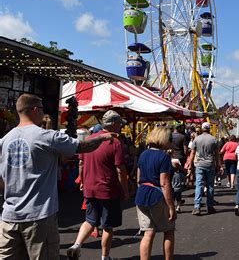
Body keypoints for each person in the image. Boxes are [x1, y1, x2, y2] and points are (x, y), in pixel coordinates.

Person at [0, 94, 116, 260]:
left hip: (9, 216)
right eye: (41, 109)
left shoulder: (5, 140)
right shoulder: (46, 136)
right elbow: (82, 146)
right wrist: (103, 137)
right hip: (38, 217)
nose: (43, 113)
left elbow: (1, 181)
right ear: (34, 110)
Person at [67, 110, 129, 260]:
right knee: (107, 226)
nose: (121, 126)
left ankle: (76, 245)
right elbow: (120, 169)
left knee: (90, 220)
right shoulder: (115, 142)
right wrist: (125, 190)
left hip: (90, 186)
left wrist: (82, 181)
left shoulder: (90, 139)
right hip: (107, 189)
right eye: (119, 124)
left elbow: (81, 163)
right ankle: (105, 256)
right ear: (113, 124)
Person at [135, 126, 176, 260]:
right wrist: (171, 207)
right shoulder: (163, 157)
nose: (171, 141)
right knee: (169, 230)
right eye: (170, 139)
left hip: (141, 195)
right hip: (156, 196)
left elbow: (138, 178)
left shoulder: (143, 154)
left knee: (148, 232)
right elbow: (164, 183)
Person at [188, 122, 220, 216]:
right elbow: (217, 154)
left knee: (198, 185)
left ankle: (197, 207)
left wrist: (190, 165)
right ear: (209, 129)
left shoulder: (197, 139)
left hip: (199, 164)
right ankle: (209, 206)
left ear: (202, 129)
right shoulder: (213, 139)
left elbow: (192, 153)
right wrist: (218, 165)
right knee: (210, 186)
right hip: (210, 164)